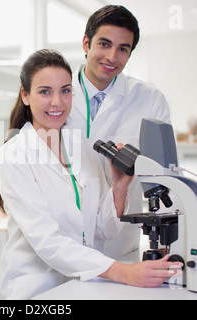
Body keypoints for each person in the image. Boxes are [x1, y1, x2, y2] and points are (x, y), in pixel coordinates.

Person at [0, 49, 181, 300]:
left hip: (84, 286)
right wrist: (124, 272)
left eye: (65, 90)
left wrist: (119, 188)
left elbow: (102, 229)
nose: (58, 102)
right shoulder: (14, 154)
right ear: (25, 96)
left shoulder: (81, 147)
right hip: (36, 290)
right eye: (45, 91)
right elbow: (47, 241)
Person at [65, 5, 172, 259]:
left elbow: (164, 175)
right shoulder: (55, 93)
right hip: (61, 240)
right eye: (104, 44)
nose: (112, 57)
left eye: (123, 49)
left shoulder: (150, 100)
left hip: (118, 246)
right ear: (86, 43)